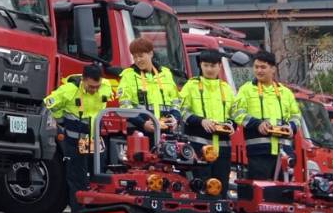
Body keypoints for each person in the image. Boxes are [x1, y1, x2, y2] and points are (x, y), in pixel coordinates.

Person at [45, 63, 115, 209]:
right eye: (91, 87)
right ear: (83, 80)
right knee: (78, 181)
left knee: (98, 179)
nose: (94, 90)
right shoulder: (69, 90)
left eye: (97, 86)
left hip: (95, 140)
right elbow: (47, 105)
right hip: (75, 142)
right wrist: (61, 120)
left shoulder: (106, 86)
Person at [232, 50, 300, 180]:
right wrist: (258, 124)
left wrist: (291, 127)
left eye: (263, 67)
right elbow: (237, 113)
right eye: (256, 67)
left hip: (284, 152)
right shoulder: (246, 90)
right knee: (260, 193)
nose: (259, 71)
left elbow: (296, 116)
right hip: (258, 152)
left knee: (283, 194)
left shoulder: (286, 92)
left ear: (273, 69)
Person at [180, 50, 235, 188]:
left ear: (219, 66)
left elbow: (235, 113)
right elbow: (182, 110)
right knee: (200, 188)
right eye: (205, 65)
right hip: (198, 147)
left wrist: (231, 124)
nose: (209, 69)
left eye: (212, 66)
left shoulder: (226, 89)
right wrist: (201, 121)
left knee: (221, 187)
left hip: (222, 149)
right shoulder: (191, 86)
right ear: (200, 66)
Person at [118, 37, 180, 137]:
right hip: (140, 133)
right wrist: (143, 123)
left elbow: (175, 102)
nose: (137, 60)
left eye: (141, 56)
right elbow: (125, 106)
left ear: (151, 54)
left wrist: (175, 118)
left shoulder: (166, 73)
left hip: (166, 132)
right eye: (134, 57)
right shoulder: (127, 76)